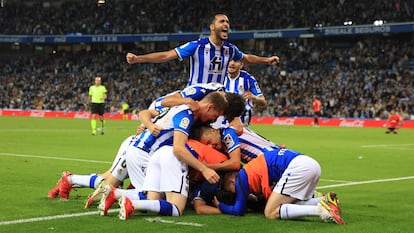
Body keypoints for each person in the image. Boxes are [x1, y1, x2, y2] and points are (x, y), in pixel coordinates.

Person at [126, 13, 279, 86]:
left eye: (227, 22)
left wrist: (267, 60)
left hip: (218, 100)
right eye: (222, 21)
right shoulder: (197, 46)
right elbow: (166, 55)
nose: (226, 24)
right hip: (195, 98)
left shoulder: (230, 49)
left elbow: (246, 59)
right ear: (212, 27)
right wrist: (139, 58)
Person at [215, 148, 345, 224]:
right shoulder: (253, 170)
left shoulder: (241, 178)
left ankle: (319, 210)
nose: (236, 192)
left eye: (232, 190)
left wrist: (220, 206)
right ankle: (324, 201)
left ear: (232, 181)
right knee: (283, 204)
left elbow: (238, 210)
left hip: (299, 167)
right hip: (311, 164)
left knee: (270, 213)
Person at [224, 59, 266, 126]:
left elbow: (263, 101)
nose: (232, 63)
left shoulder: (248, 79)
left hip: (242, 119)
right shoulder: (220, 77)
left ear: (241, 65)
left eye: (236, 61)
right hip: (221, 117)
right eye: (230, 60)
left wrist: (253, 97)